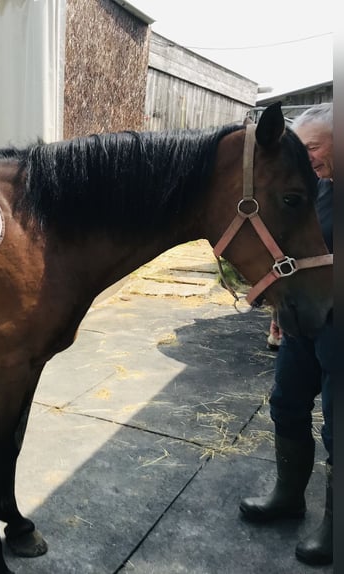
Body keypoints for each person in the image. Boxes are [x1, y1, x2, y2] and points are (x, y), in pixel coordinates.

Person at [239, 102, 334, 566]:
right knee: (286, 404)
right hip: (302, 325)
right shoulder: (311, 189)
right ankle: (288, 495)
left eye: (313, 147)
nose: (308, 156)